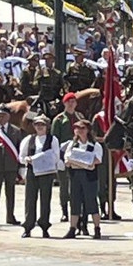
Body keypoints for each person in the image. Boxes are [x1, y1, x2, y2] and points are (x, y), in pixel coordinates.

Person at [19, 114, 59, 238]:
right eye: (37, 124)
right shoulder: (28, 139)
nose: (40, 127)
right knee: (30, 199)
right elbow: (21, 157)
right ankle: (28, 226)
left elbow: (56, 156)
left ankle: (44, 226)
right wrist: (27, 159)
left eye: (42, 124)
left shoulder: (52, 139)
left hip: (46, 173)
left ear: (47, 126)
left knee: (45, 200)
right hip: (32, 172)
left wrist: (45, 158)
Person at [62, 119, 103, 239]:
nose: (79, 131)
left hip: (89, 177)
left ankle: (97, 228)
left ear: (88, 130)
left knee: (92, 202)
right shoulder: (72, 144)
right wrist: (81, 162)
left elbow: (97, 160)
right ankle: (72, 228)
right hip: (75, 176)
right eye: (77, 128)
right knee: (74, 202)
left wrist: (80, 162)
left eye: (82, 128)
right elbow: (67, 159)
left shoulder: (95, 145)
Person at [52, 92, 83, 222]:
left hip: (79, 156)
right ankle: (65, 211)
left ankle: (77, 211)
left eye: (73, 101)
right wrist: (57, 158)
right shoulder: (59, 119)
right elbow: (54, 139)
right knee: (64, 185)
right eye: (68, 101)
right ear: (64, 103)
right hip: (63, 156)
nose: (71, 104)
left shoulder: (80, 117)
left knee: (78, 185)